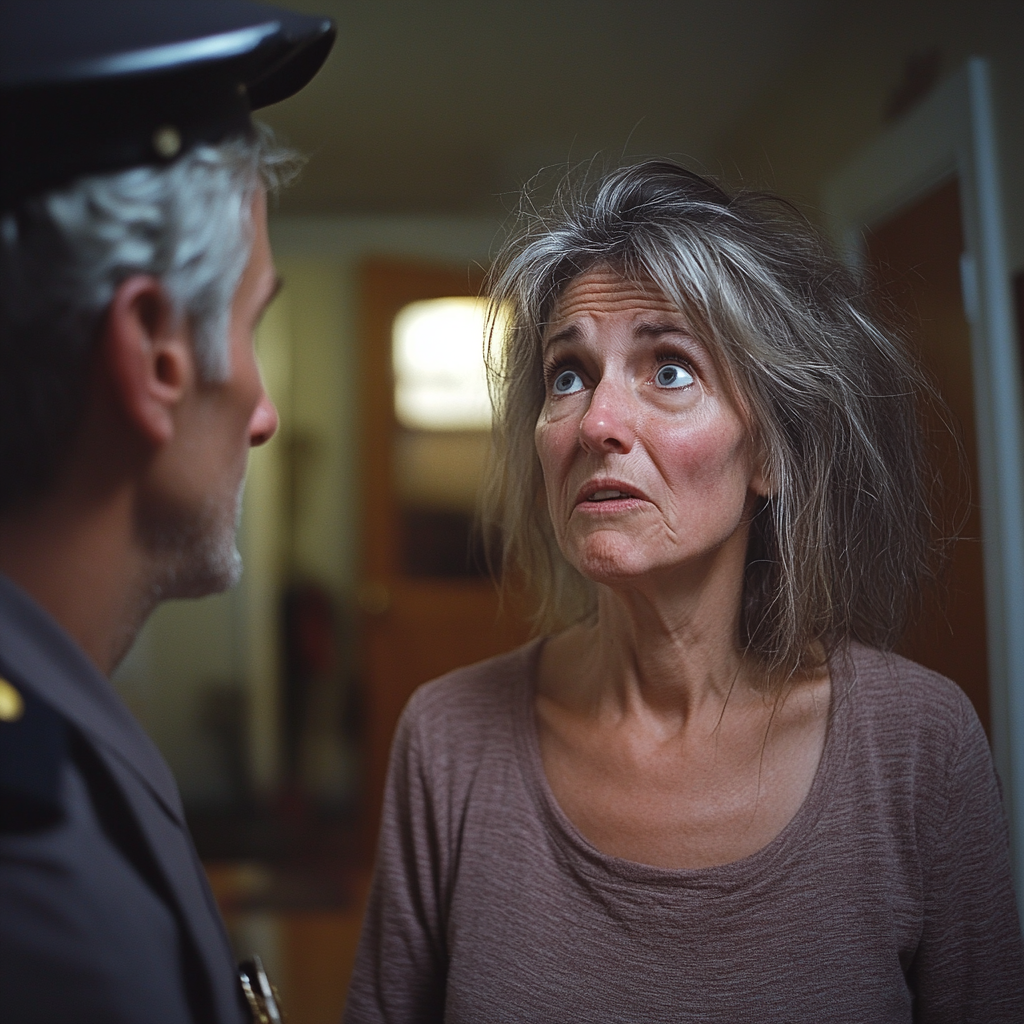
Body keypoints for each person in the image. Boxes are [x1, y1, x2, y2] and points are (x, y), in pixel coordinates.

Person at [344, 161, 1024, 1022]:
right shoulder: (446, 741)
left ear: (772, 454)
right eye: (568, 373)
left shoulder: (919, 748)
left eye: (669, 369)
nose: (596, 422)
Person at [0, 3, 334, 1022]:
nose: (266, 414)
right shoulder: (48, 905)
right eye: (252, 325)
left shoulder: (59, 736)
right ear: (155, 355)